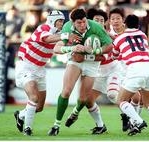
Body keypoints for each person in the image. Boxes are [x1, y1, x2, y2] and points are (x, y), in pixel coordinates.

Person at [47, 8, 113, 136]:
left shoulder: (95, 27)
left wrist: (94, 51)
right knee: (66, 91)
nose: (82, 25)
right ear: (72, 22)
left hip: (92, 63)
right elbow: (57, 48)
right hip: (75, 61)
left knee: (83, 99)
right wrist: (73, 48)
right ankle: (56, 125)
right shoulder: (67, 27)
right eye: (79, 23)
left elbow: (109, 46)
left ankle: (75, 113)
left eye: (84, 22)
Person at [13, 10, 79, 136]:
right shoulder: (43, 28)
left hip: (40, 69)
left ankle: (20, 115)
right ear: (52, 21)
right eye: (59, 21)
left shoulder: (60, 34)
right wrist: (66, 36)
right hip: (26, 66)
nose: (61, 23)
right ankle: (27, 129)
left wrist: (74, 46)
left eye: (62, 21)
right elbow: (48, 39)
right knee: (34, 97)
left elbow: (61, 45)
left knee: (39, 107)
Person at [113, 14, 149, 137]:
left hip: (135, 69)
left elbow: (115, 55)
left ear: (125, 24)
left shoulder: (119, 38)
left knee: (121, 101)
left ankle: (139, 121)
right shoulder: (143, 35)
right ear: (138, 25)